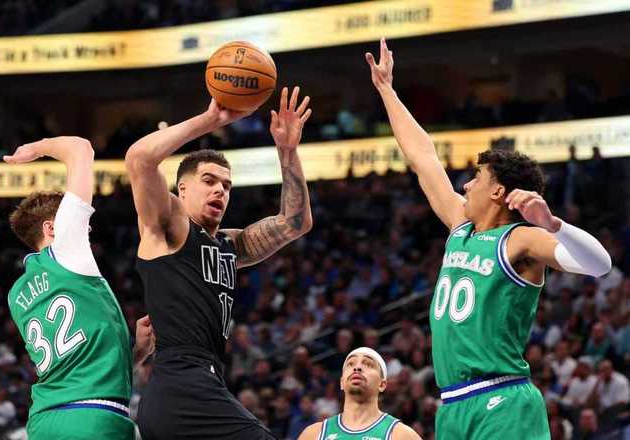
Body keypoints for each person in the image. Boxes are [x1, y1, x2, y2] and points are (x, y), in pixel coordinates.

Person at [366, 38, 612, 440]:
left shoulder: (521, 239)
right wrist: (387, 91)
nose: (465, 185)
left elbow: (600, 265)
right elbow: (423, 158)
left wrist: (554, 225)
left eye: (476, 179)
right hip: (452, 404)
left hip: (503, 399)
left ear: (498, 192)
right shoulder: (459, 225)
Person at [125, 88, 313, 439]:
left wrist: (287, 151)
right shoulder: (170, 228)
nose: (219, 191)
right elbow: (139, 159)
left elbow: (295, 222)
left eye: (227, 186)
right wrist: (211, 119)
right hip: (182, 384)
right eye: (209, 181)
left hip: (198, 385)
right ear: (181, 190)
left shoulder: (230, 244)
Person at [4, 137, 155, 440]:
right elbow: (80, 148)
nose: (87, 229)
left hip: (44, 421)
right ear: (52, 227)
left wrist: (135, 354)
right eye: (81, 224)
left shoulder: (16, 294)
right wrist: (35, 149)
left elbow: (75, 367)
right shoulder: (66, 251)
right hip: (93, 419)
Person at [298, 347, 421, 440]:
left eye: (368, 364)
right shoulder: (314, 434)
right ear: (341, 382)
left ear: (382, 384)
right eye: (351, 364)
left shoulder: (401, 434)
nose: (357, 368)